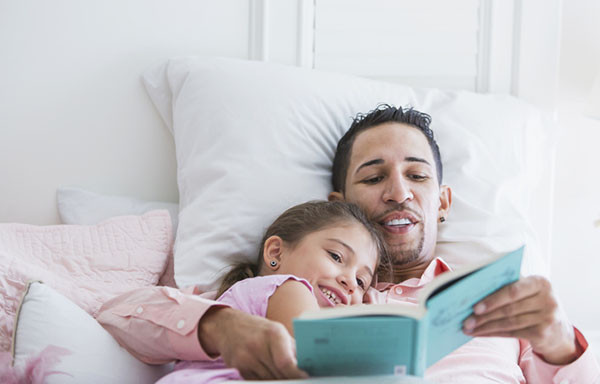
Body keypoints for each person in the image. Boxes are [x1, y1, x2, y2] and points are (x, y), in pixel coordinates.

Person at [98, 105, 600, 382]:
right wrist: (221, 328)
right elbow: (117, 314)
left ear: (442, 202)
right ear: (343, 201)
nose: (399, 192)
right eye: (374, 176)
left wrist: (559, 343)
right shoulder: (299, 288)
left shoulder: (501, 300)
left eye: (417, 176)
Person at [154, 200, 386, 383]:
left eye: (361, 281)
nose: (350, 282)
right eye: (336, 256)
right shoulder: (289, 286)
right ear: (276, 253)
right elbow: (311, 361)